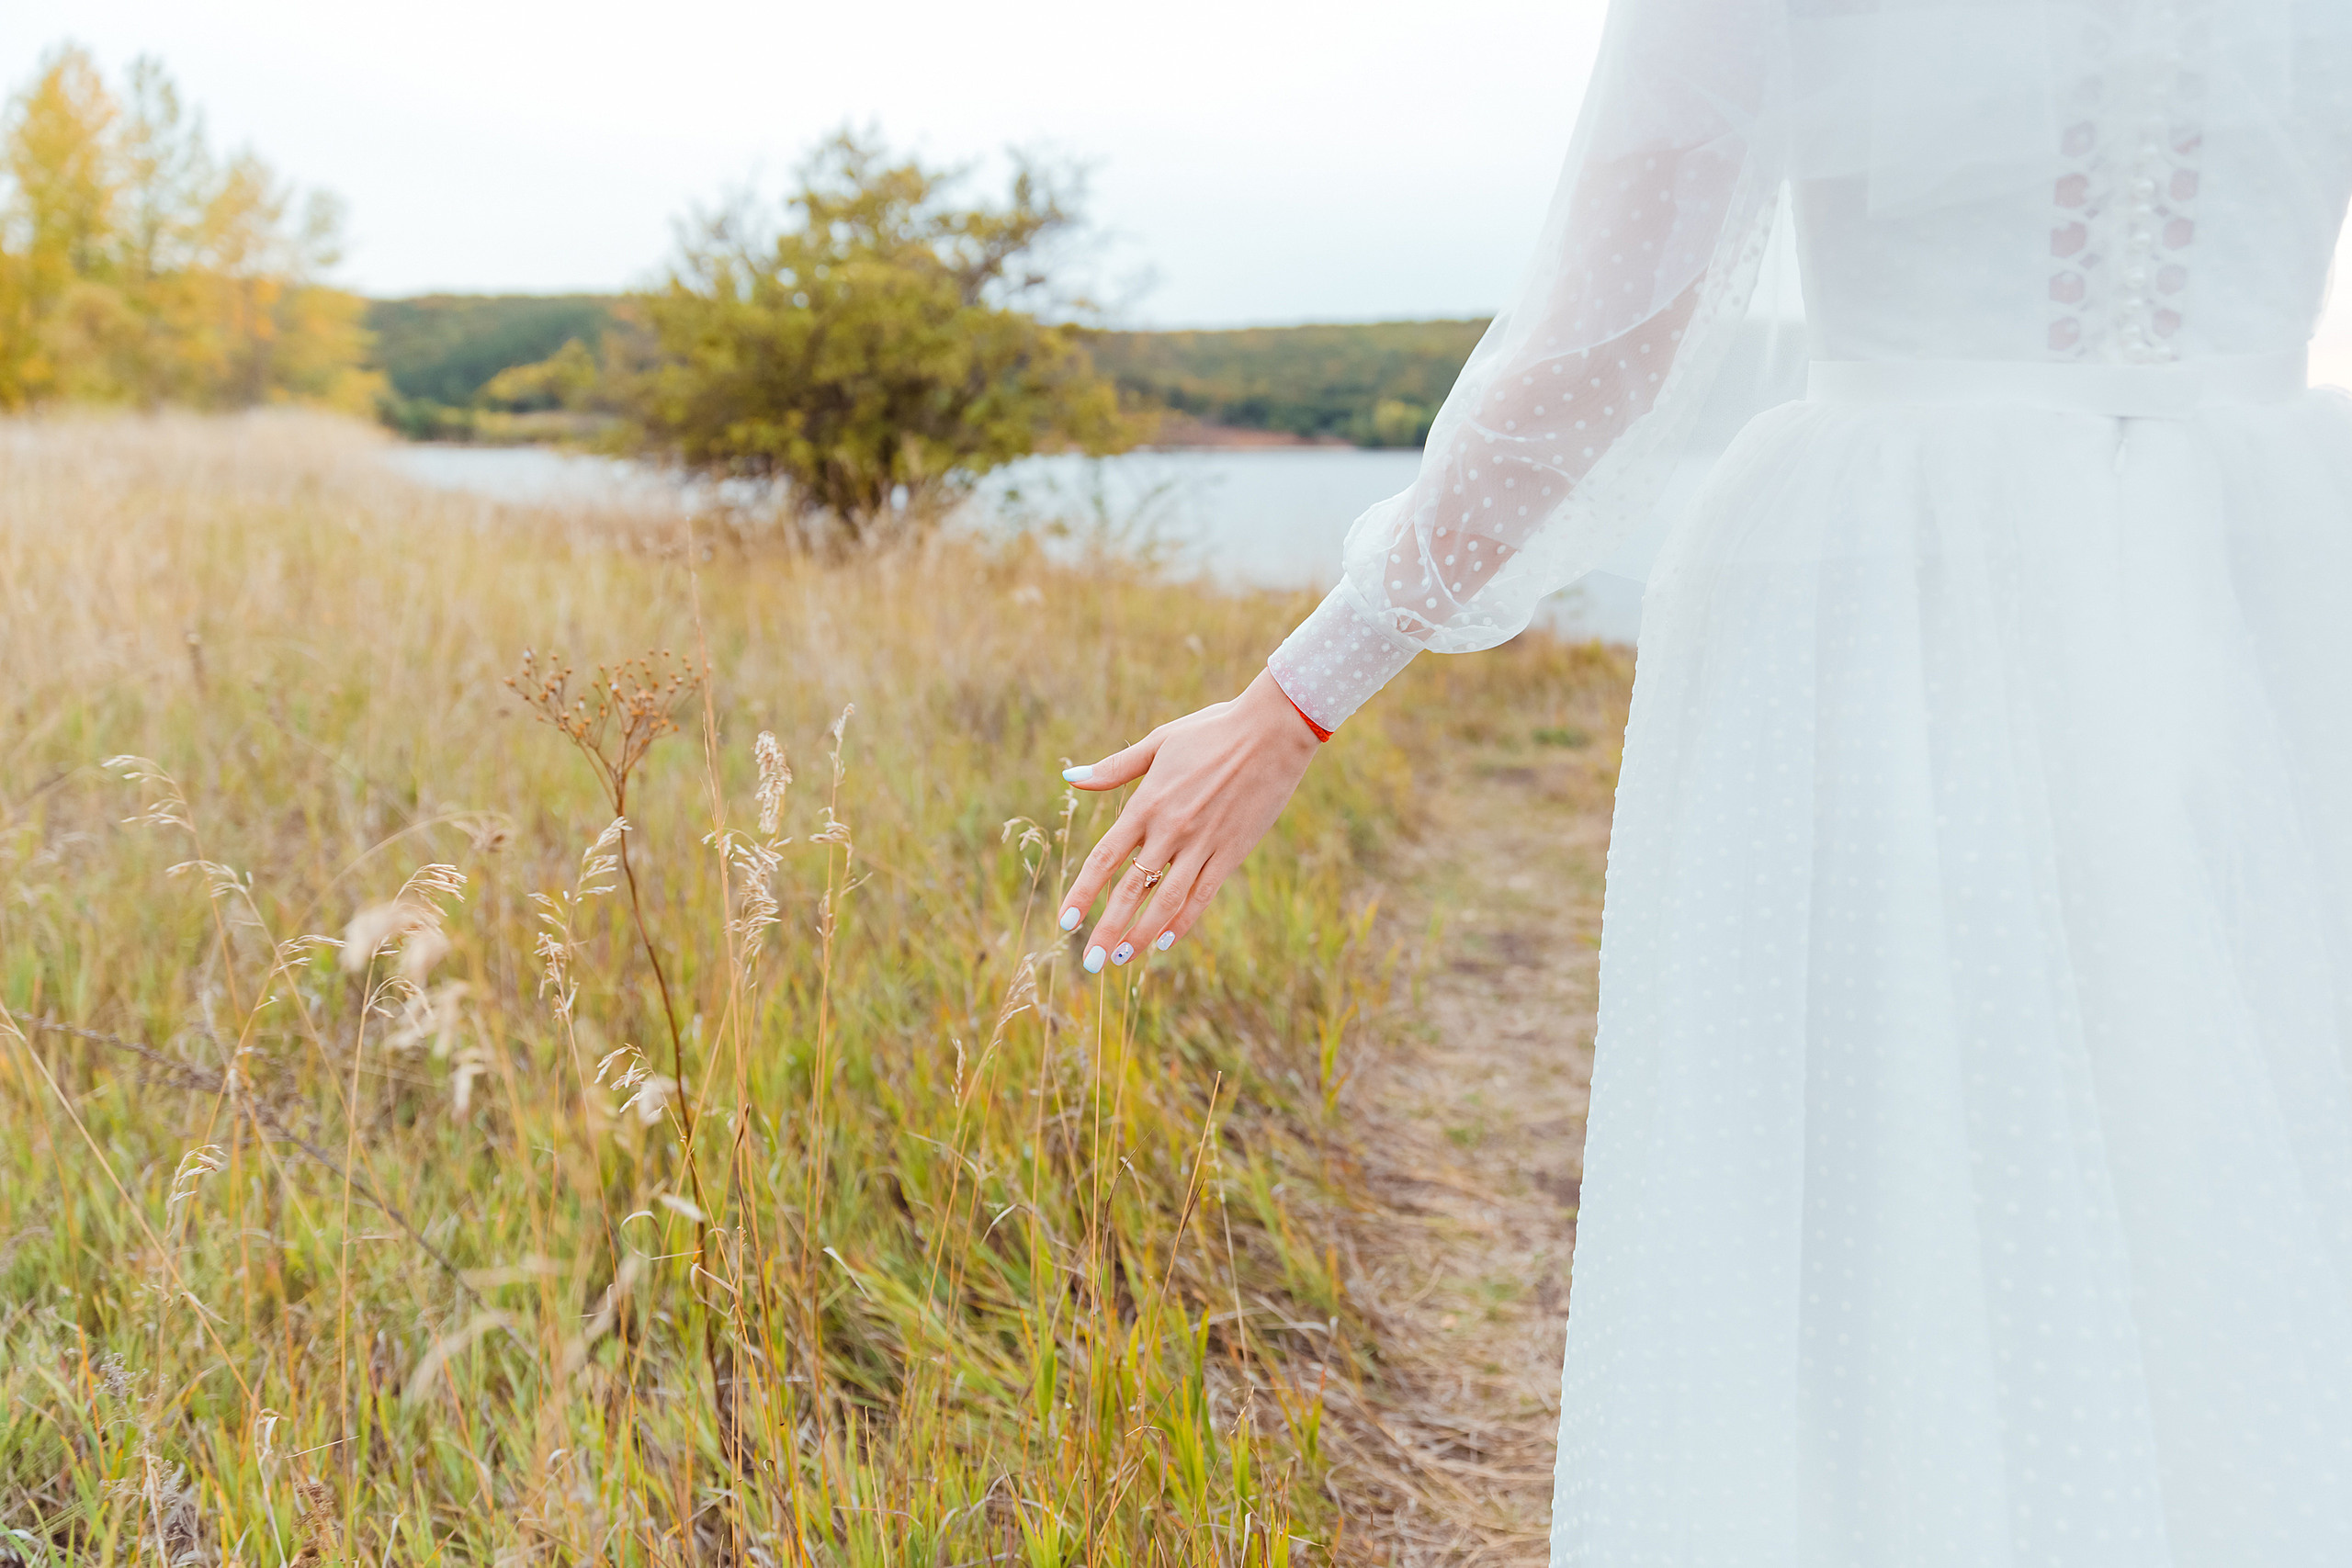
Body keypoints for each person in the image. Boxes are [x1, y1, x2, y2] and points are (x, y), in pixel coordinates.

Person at [1054, 0, 2352, 1560]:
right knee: (2243, 1167)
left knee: (1896, 1204)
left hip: (1907, 605)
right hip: (2280, 586)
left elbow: (1601, 351)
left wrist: (1292, 705)